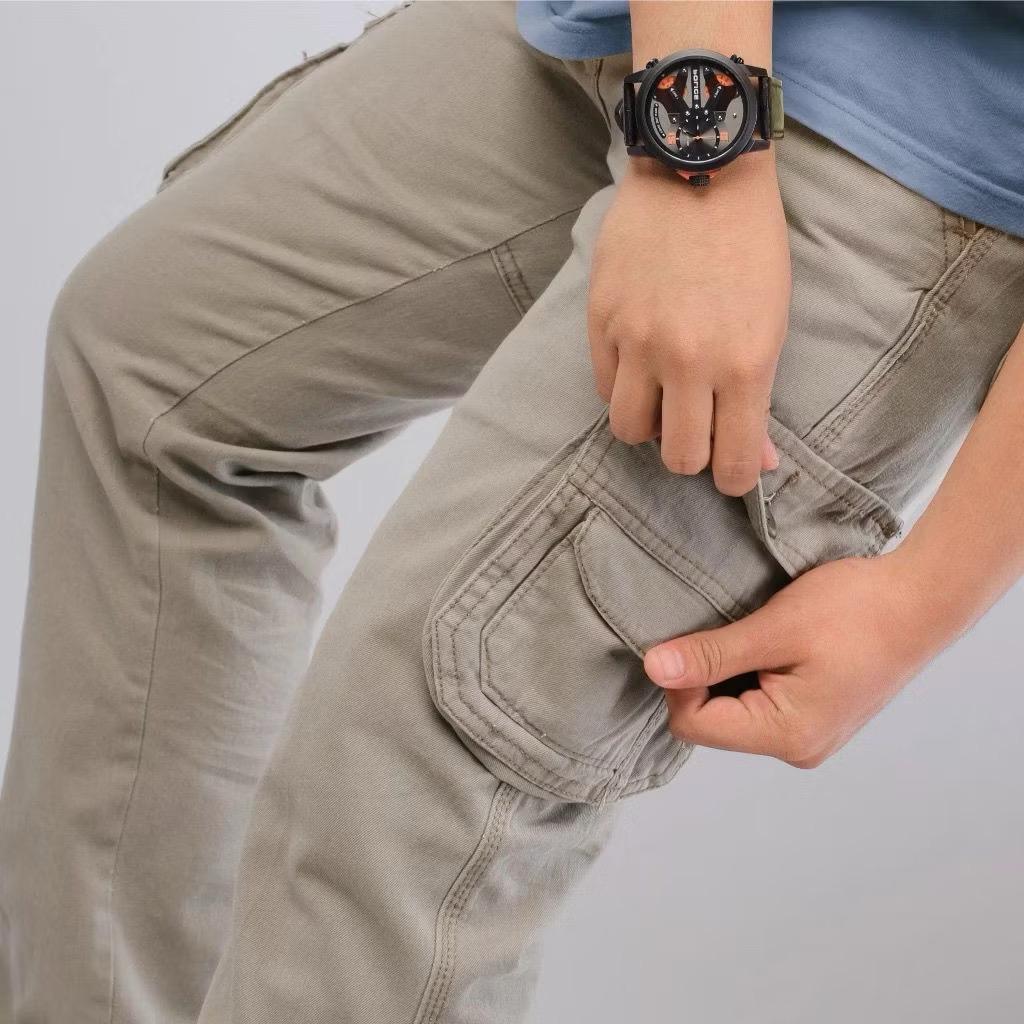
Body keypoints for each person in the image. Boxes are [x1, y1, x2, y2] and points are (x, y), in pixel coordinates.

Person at [1, 1, 1022, 1021]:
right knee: (151, 369)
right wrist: (701, 156)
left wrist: (925, 597)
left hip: (914, 140)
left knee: (402, 781)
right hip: (644, 25)